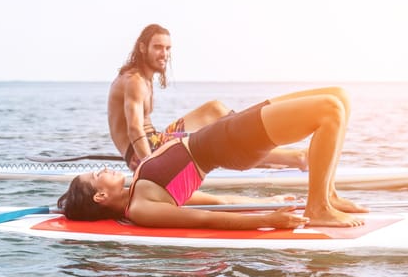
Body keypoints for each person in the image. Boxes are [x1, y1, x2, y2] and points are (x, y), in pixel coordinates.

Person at [59, 86, 369, 229]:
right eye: (96, 175)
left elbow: (220, 202)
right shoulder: (142, 208)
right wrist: (267, 221)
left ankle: (328, 194)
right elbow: (205, 219)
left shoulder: (141, 188)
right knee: (329, 110)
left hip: (225, 131)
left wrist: (268, 201)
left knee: (339, 96)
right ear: (100, 195)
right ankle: (318, 207)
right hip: (232, 142)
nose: (102, 169)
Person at [108, 23, 308, 171]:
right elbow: (134, 129)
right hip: (147, 148)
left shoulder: (143, 78)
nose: (165, 54)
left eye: (168, 48)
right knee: (219, 140)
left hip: (155, 139)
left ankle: (253, 141)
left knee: (215, 109)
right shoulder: (135, 80)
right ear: (142, 48)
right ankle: (294, 157)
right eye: (158, 47)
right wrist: (149, 167)